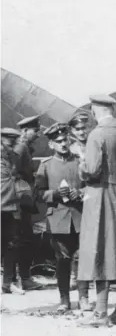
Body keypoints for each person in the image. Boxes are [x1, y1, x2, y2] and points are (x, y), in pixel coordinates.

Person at [77, 94, 116, 327]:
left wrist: (81, 162)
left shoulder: (96, 135)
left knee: (101, 250)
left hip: (100, 197)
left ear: (96, 110)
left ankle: (100, 314)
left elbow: (92, 170)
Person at [34, 123, 92, 312]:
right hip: (58, 219)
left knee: (83, 258)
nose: (63, 144)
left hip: (80, 217)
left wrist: (81, 193)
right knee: (62, 260)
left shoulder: (79, 162)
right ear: (51, 145)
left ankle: (84, 298)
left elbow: (91, 186)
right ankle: (64, 299)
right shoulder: (46, 166)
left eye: (65, 140)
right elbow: (38, 194)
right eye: (58, 141)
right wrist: (55, 195)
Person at [12, 115, 43, 291]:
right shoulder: (21, 147)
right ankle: (21, 279)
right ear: (25, 131)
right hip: (20, 201)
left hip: (22, 199)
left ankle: (21, 278)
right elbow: (14, 173)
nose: (38, 134)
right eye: (35, 131)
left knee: (23, 238)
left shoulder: (25, 147)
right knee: (22, 239)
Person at [1, 128, 26, 294]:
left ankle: (8, 282)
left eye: (14, 141)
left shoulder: (12, 158)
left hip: (9, 207)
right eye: (10, 141)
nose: (13, 145)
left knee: (12, 244)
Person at [67, 112, 91, 289]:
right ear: (71, 131)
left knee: (88, 241)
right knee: (72, 241)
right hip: (73, 199)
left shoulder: (93, 145)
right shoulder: (69, 149)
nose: (81, 132)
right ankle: (74, 276)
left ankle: (85, 276)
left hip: (90, 197)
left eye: (84, 128)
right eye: (77, 129)